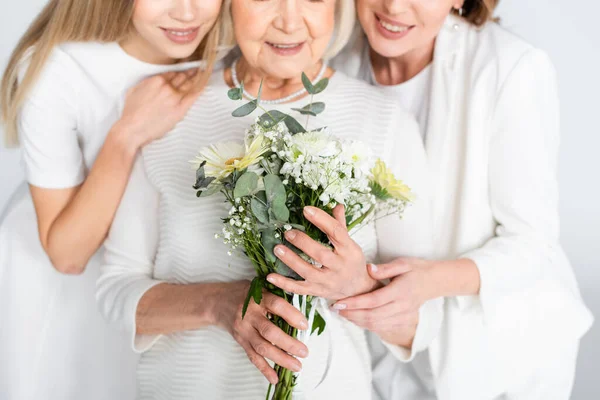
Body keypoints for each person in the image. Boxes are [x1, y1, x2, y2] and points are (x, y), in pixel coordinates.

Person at [95, 0, 427, 398]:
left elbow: (422, 325)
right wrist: (218, 304)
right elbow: (115, 291)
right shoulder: (167, 108)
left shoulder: (384, 121)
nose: (288, 22)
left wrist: (355, 287)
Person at [268, 0, 594, 399]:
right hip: (388, 353)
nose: (393, 6)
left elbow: (533, 244)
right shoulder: (332, 55)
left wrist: (426, 281)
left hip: (506, 353)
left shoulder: (511, 68)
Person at [0, 1, 227, 398]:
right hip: (64, 291)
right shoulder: (59, 69)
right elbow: (67, 254)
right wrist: (126, 135)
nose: (188, 13)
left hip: (154, 290)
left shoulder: (232, 48)